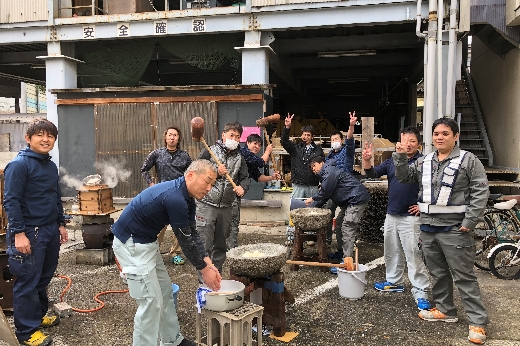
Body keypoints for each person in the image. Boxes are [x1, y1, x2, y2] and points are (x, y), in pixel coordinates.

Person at [394, 118, 489, 345]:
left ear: (455, 136)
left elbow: (480, 191)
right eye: (436, 133)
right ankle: (445, 310)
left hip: (455, 228)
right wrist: (399, 156)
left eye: (445, 133)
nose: (439, 137)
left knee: (464, 276)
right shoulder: (425, 161)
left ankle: (478, 322)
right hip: (428, 228)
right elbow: (404, 177)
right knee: (438, 274)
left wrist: (470, 221)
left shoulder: (468, 160)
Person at [112, 159, 222, 346]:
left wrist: (209, 264)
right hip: (131, 245)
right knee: (151, 303)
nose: (209, 188)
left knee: (164, 293)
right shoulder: (175, 198)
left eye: (213, 184)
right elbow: (185, 241)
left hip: (147, 242)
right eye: (207, 181)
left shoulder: (187, 197)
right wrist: (204, 270)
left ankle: (172, 341)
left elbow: (192, 233)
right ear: (190, 175)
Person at [3, 118, 68, 346]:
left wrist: (61, 223)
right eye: (40, 135)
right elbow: (10, 201)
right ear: (28, 138)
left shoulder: (49, 165)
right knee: (28, 281)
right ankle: (26, 333)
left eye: (50, 136)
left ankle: (38, 317)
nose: (45, 139)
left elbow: (54, 196)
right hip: (30, 232)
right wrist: (19, 233)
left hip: (50, 229)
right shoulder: (19, 165)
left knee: (43, 278)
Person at [362, 126, 431, 310]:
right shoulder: (392, 160)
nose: (408, 145)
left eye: (412, 141)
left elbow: (431, 187)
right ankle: (394, 281)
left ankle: (421, 291)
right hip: (391, 213)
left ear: (419, 144)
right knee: (391, 252)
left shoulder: (423, 163)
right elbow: (371, 174)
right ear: (398, 142)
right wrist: (367, 161)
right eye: (404, 140)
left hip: (411, 216)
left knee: (413, 255)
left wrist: (422, 206)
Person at [197, 122, 249, 277]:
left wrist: (242, 188)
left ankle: (216, 276)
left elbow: (245, 178)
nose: (234, 139)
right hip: (206, 204)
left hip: (227, 206)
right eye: (231, 135)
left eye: (237, 136)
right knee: (204, 246)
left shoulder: (240, 157)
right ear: (223, 135)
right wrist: (215, 172)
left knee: (221, 246)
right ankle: (204, 281)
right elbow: (195, 171)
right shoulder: (209, 151)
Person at [141, 126, 192, 265]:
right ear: (165, 137)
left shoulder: (184, 156)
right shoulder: (157, 154)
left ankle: (175, 253)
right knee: (158, 227)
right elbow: (144, 169)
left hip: (179, 196)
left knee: (180, 227)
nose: (172, 137)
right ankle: (152, 253)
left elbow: (191, 174)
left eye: (175, 135)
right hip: (161, 195)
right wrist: (151, 183)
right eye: (170, 135)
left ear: (178, 138)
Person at [304, 156, 370, 260]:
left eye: (314, 166)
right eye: (312, 169)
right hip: (348, 202)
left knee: (347, 226)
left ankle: (347, 260)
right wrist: (309, 209)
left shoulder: (329, 171)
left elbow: (325, 192)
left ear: (321, 163)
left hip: (356, 199)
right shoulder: (326, 175)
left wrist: (312, 198)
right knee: (339, 224)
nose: (314, 170)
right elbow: (324, 197)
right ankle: (341, 252)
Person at [227, 134, 281, 249]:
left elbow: (258, 177)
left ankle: (230, 247)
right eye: (254, 143)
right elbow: (261, 162)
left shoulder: (251, 160)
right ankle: (228, 247)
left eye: (259, 145)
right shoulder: (244, 153)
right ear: (248, 143)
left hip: (237, 192)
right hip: (229, 190)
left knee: (233, 221)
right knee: (229, 221)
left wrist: (272, 177)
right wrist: (268, 151)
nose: (257, 147)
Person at [325, 111, 357, 251]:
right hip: (332, 191)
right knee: (326, 214)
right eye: (332, 140)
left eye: (337, 139)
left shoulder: (347, 152)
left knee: (343, 223)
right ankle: (326, 241)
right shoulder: (329, 156)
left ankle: (343, 247)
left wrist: (351, 126)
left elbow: (350, 140)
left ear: (341, 140)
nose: (335, 142)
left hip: (346, 192)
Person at [281, 114, 324, 199]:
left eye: (308, 135)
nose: (305, 137)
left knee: (313, 210)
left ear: (312, 137)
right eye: (304, 135)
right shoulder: (295, 148)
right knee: (296, 209)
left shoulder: (318, 150)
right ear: (301, 135)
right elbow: (284, 141)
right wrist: (287, 127)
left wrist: (323, 183)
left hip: (313, 185)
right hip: (298, 185)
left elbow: (322, 167)